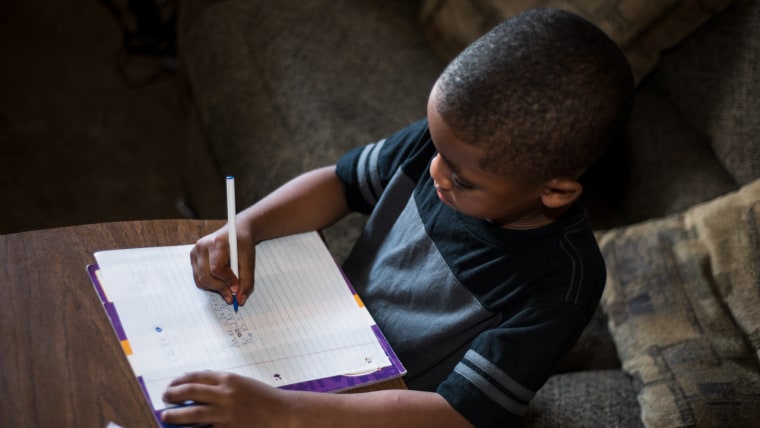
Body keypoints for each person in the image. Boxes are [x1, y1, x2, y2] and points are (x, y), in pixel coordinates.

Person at [161, 8, 634, 427]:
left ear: (555, 192)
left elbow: (459, 414)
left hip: (388, 409)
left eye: (463, 179)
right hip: (327, 342)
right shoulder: (444, 149)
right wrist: (248, 225)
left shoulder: (563, 283)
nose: (435, 173)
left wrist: (286, 413)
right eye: (437, 147)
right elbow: (338, 183)